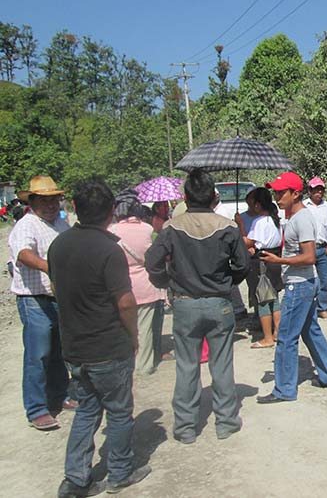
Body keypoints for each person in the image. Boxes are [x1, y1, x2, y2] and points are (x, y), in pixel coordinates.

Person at [48, 179, 151, 497]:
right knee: (119, 411)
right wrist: (133, 335)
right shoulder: (109, 249)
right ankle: (120, 473)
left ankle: (75, 478)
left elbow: (56, 290)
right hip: (108, 345)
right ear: (110, 212)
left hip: (76, 347)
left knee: (87, 410)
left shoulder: (58, 245)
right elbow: (125, 301)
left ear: (75, 209)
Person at [145, 169, 248, 444]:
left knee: (187, 366)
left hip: (185, 304)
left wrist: (167, 281)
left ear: (185, 197)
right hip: (220, 304)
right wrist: (226, 283)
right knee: (222, 364)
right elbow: (243, 265)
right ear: (214, 196)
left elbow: (151, 262)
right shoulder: (228, 227)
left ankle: (186, 427)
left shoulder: (171, 228)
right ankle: (226, 422)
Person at [256, 172, 327, 403]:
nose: (277, 197)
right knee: (310, 331)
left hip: (300, 285)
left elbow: (309, 257)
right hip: (302, 283)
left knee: (285, 336)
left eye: (281, 192)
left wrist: (279, 261)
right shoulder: (293, 218)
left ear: (295, 194)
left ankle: (284, 389)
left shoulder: (302, 219)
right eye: (275, 192)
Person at [8, 176, 72, 431]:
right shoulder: (27, 225)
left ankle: (60, 394)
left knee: (59, 350)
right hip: (34, 297)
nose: (50, 205)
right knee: (38, 354)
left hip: (58, 296)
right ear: (32, 201)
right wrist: (50, 267)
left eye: (53, 200)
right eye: (44, 200)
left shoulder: (61, 224)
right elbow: (24, 254)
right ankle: (36, 408)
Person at [110, 189, 168, 374]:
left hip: (120, 285)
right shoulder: (148, 230)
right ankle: (144, 365)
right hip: (147, 284)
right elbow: (159, 256)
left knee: (124, 328)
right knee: (145, 329)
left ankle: (126, 363)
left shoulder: (110, 231)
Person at [240, 187, 284, 349]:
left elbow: (248, 242)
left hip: (263, 262)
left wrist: (240, 225)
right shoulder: (275, 219)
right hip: (275, 260)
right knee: (275, 298)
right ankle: (277, 331)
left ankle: (267, 337)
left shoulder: (259, 222)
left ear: (258, 205)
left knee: (264, 299)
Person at [303, 177, 327, 320]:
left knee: (324, 280)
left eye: (321, 189)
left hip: (323, 249)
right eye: (316, 189)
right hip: (308, 248)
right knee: (307, 279)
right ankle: (306, 308)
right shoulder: (303, 206)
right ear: (310, 191)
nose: (319, 192)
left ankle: (322, 308)